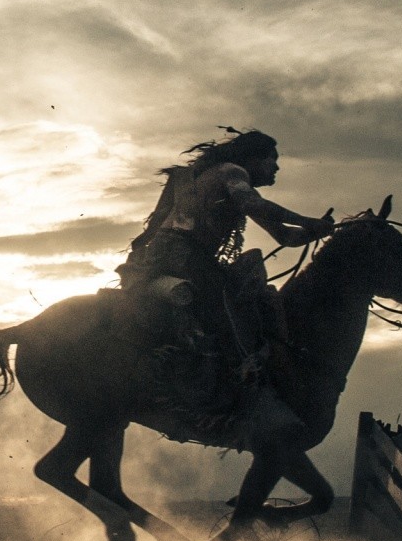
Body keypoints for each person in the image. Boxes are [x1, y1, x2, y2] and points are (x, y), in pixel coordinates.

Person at [117, 129, 333, 377]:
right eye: (272, 160)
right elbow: (252, 204)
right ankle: (237, 370)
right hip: (189, 259)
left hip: (162, 258)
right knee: (238, 309)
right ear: (253, 158)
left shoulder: (206, 181)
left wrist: (318, 231)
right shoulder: (233, 172)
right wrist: (308, 221)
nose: (276, 169)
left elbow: (285, 237)